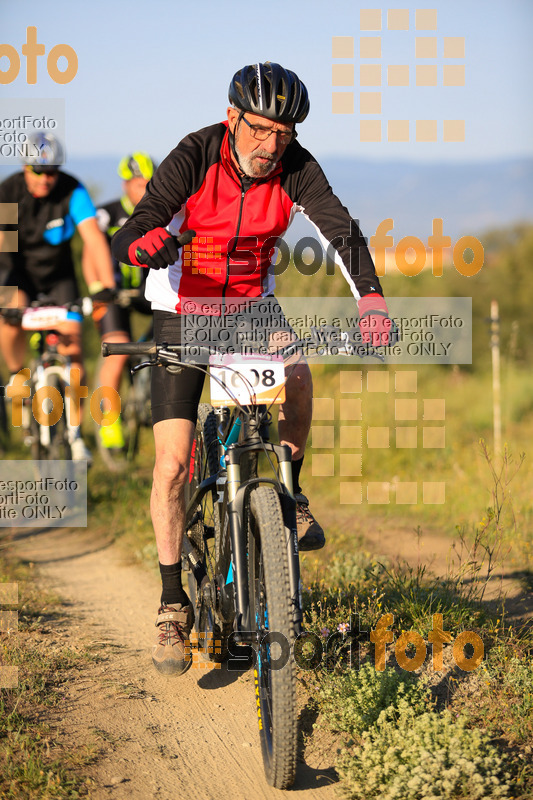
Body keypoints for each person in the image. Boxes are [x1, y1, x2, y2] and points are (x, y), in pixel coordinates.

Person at [112, 62, 395, 676]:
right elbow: (141, 220)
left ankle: (288, 492)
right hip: (184, 309)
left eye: (283, 134)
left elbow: (341, 231)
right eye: (261, 130)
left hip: (251, 305)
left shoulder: (298, 166)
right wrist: (145, 243)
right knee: (169, 464)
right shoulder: (196, 152)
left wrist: (370, 300)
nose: (271, 146)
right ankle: (171, 605)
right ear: (234, 118)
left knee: (297, 371)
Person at [0, 133, 116, 461]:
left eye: (52, 171)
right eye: (39, 171)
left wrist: (105, 286)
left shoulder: (72, 189)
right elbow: (3, 253)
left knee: (73, 349)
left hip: (59, 277)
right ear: (25, 168)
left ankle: (76, 432)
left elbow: (93, 238)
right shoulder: (8, 194)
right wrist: (8, 296)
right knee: (9, 318)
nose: (46, 179)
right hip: (15, 272)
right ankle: (15, 374)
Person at [92, 152, 156, 455]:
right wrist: (98, 286)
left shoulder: (161, 212)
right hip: (112, 293)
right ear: (125, 184)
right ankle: (108, 421)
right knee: (117, 350)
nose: (144, 189)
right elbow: (89, 248)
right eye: (138, 183)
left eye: (148, 183)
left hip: (146, 292)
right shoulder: (106, 214)